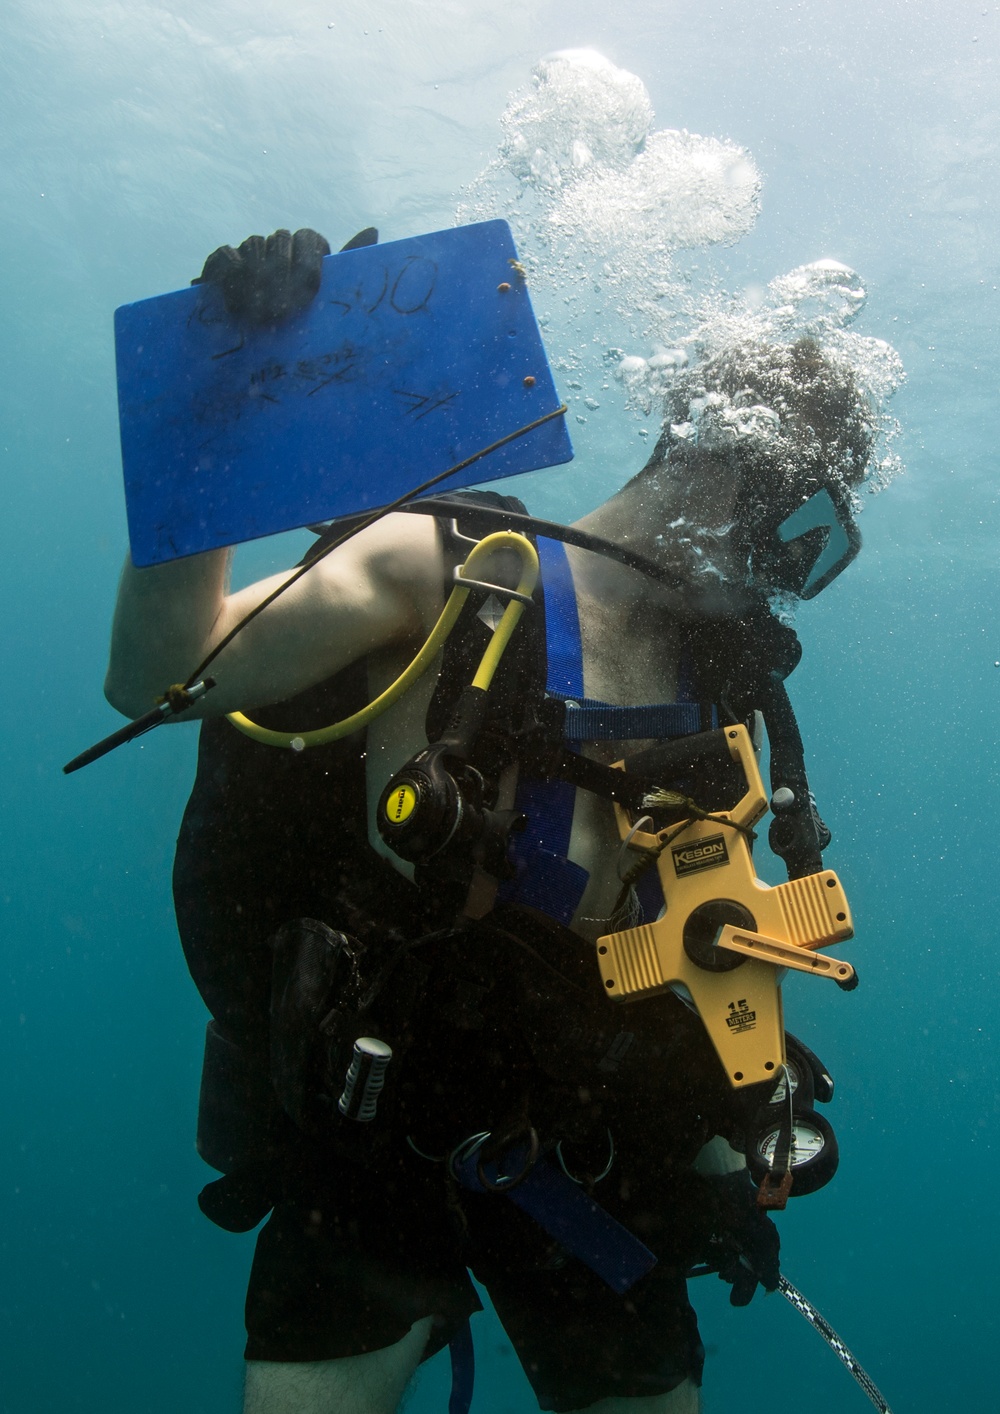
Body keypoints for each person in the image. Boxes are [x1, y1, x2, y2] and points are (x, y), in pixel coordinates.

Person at [104, 229, 878, 1414]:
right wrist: (229, 402)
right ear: (732, 473)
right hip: (373, 1135)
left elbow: (692, 946)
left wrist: (733, 1149)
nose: (787, 578)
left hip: (581, 1140)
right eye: (803, 534)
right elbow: (158, 674)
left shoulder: (719, 693)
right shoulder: (452, 569)